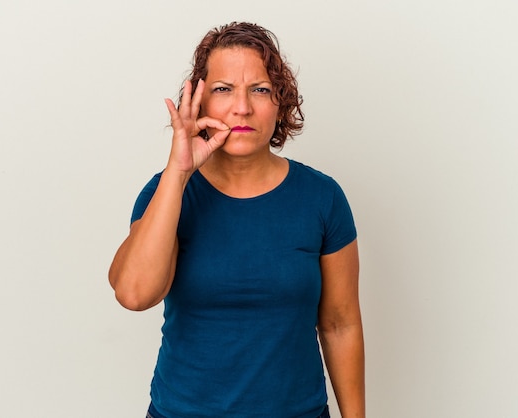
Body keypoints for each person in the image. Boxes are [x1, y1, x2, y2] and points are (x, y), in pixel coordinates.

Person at [109, 22, 364, 418]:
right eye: (223, 89)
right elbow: (134, 294)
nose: (241, 107)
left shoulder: (322, 197)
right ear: (199, 101)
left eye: (260, 90)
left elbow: (340, 324)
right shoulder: (166, 193)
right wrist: (178, 174)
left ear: (280, 102)